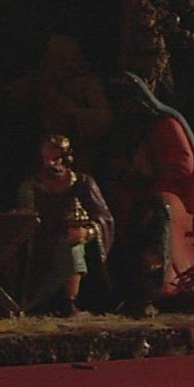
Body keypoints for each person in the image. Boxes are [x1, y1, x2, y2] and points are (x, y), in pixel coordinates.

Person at [101, 72, 194, 301]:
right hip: (137, 188)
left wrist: (150, 171)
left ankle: (163, 279)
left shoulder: (165, 124)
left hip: (170, 191)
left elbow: (184, 165)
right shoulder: (127, 129)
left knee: (158, 207)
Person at [17, 134, 114, 315]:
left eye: (56, 158)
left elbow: (103, 217)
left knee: (72, 247)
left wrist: (86, 232)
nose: (51, 163)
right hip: (43, 241)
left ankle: (71, 300)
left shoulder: (83, 183)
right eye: (47, 158)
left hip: (75, 238)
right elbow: (26, 219)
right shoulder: (31, 186)